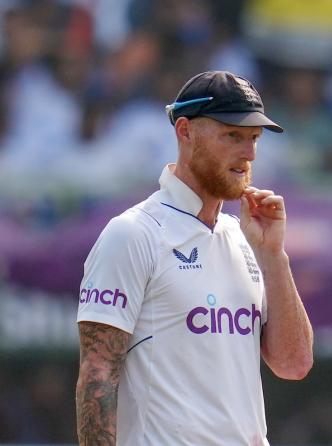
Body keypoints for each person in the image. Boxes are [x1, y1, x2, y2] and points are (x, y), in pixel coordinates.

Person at [75, 70, 314, 445]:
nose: (248, 154)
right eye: (232, 136)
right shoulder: (134, 233)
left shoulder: (243, 237)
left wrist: (274, 257)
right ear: (185, 131)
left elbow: (294, 364)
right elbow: (98, 369)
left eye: (254, 138)